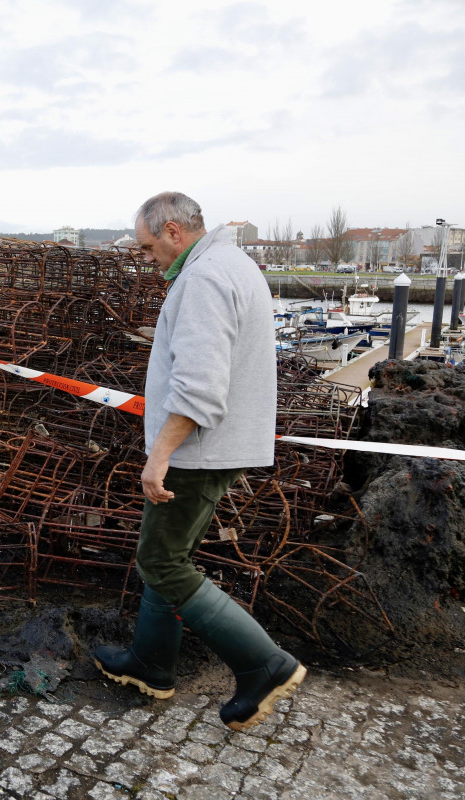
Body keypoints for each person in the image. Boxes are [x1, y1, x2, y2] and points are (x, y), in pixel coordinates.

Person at [91, 191, 306, 732]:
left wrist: (158, 456)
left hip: (197, 450)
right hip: (215, 446)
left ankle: (264, 665)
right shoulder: (230, 263)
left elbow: (201, 386)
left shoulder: (205, 278)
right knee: (169, 552)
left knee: (163, 562)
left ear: (173, 231)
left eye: (146, 247)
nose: (146, 259)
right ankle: (150, 663)